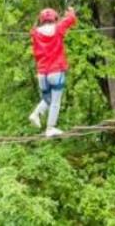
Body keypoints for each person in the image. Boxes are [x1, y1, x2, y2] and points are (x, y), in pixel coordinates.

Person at [28, 7, 77, 137]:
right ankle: (50, 128)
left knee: (47, 98)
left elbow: (33, 30)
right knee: (55, 101)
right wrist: (70, 12)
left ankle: (35, 114)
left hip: (42, 73)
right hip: (56, 71)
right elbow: (71, 20)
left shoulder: (35, 32)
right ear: (54, 19)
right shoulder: (58, 28)